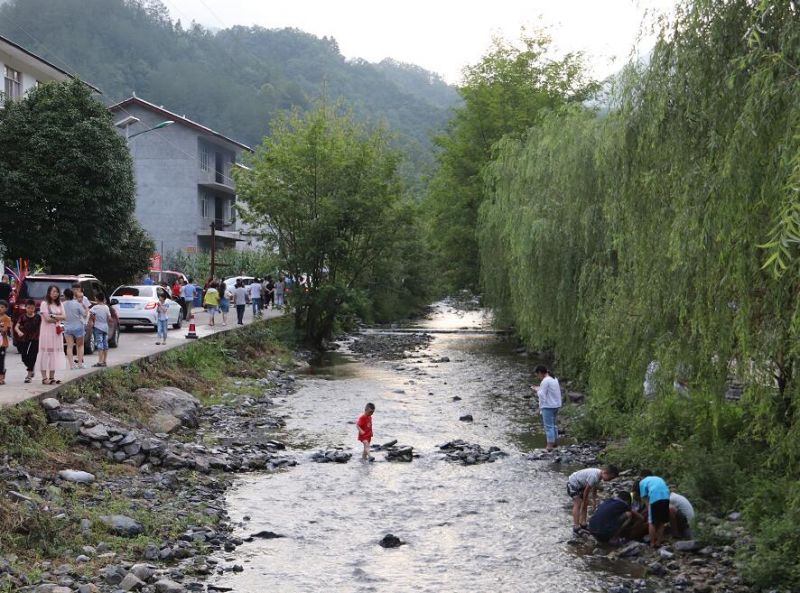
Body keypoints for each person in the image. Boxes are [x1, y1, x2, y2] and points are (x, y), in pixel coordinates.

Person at [567, 465, 620, 533]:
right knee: (578, 503)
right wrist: (585, 500)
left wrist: (594, 501)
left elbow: (594, 489)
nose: (609, 480)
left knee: (584, 503)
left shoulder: (599, 476)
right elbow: (587, 491)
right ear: (605, 472)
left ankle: (583, 523)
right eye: (610, 478)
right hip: (572, 483)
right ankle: (576, 526)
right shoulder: (594, 476)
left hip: (581, 484)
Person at [634, 471, 671, 547]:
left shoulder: (642, 482)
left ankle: (652, 543)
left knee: (652, 522)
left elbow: (644, 497)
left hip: (655, 498)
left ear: (642, 477)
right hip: (666, 498)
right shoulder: (658, 478)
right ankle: (658, 542)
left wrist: (648, 507)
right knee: (661, 522)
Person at [38, 284, 67, 384]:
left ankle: (51, 377)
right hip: (46, 332)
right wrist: (58, 317)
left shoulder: (60, 304)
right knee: (45, 353)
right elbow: (47, 319)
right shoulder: (44, 304)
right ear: (49, 292)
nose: (55, 294)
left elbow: (64, 316)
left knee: (54, 354)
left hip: (57, 332)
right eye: (53, 291)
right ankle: (44, 378)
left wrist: (54, 316)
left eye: (57, 292)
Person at [532, 365, 562, 451]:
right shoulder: (554, 378)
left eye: (537, 375)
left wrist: (537, 391)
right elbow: (549, 391)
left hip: (548, 406)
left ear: (540, 373)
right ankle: (555, 443)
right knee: (554, 425)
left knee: (548, 426)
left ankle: (549, 446)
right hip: (556, 405)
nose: (538, 377)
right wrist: (539, 389)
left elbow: (542, 395)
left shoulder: (545, 381)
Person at [14, 299, 41, 383]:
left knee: (32, 356)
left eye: (32, 308)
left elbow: (43, 327)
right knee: (24, 357)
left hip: (35, 339)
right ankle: (31, 367)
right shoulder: (22, 317)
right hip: (24, 339)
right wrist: (19, 332)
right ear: (25, 308)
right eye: (28, 308)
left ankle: (29, 376)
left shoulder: (38, 317)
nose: (30, 310)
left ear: (35, 308)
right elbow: (16, 327)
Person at [62, 288, 87, 370]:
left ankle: (72, 365)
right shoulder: (77, 304)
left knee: (69, 346)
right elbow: (84, 315)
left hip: (67, 328)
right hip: (78, 327)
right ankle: (80, 364)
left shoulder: (62, 304)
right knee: (80, 345)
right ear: (73, 295)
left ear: (65, 296)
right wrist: (85, 308)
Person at [89, 293, 112, 368]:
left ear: (97, 299)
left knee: (99, 344)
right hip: (105, 327)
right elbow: (109, 318)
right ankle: (105, 361)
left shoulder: (95, 307)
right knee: (105, 344)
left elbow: (89, 313)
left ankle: (100, 361)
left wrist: (93, 319)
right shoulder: (106, 307)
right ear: (104, 299)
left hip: (98, 327)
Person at [0, 300, 11, 385]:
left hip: (2, 343)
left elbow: (4, 331)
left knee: (1, 360)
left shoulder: (7, 318)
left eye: (2, 307)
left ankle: (1, 377)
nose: (0, 308)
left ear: (6, 309)